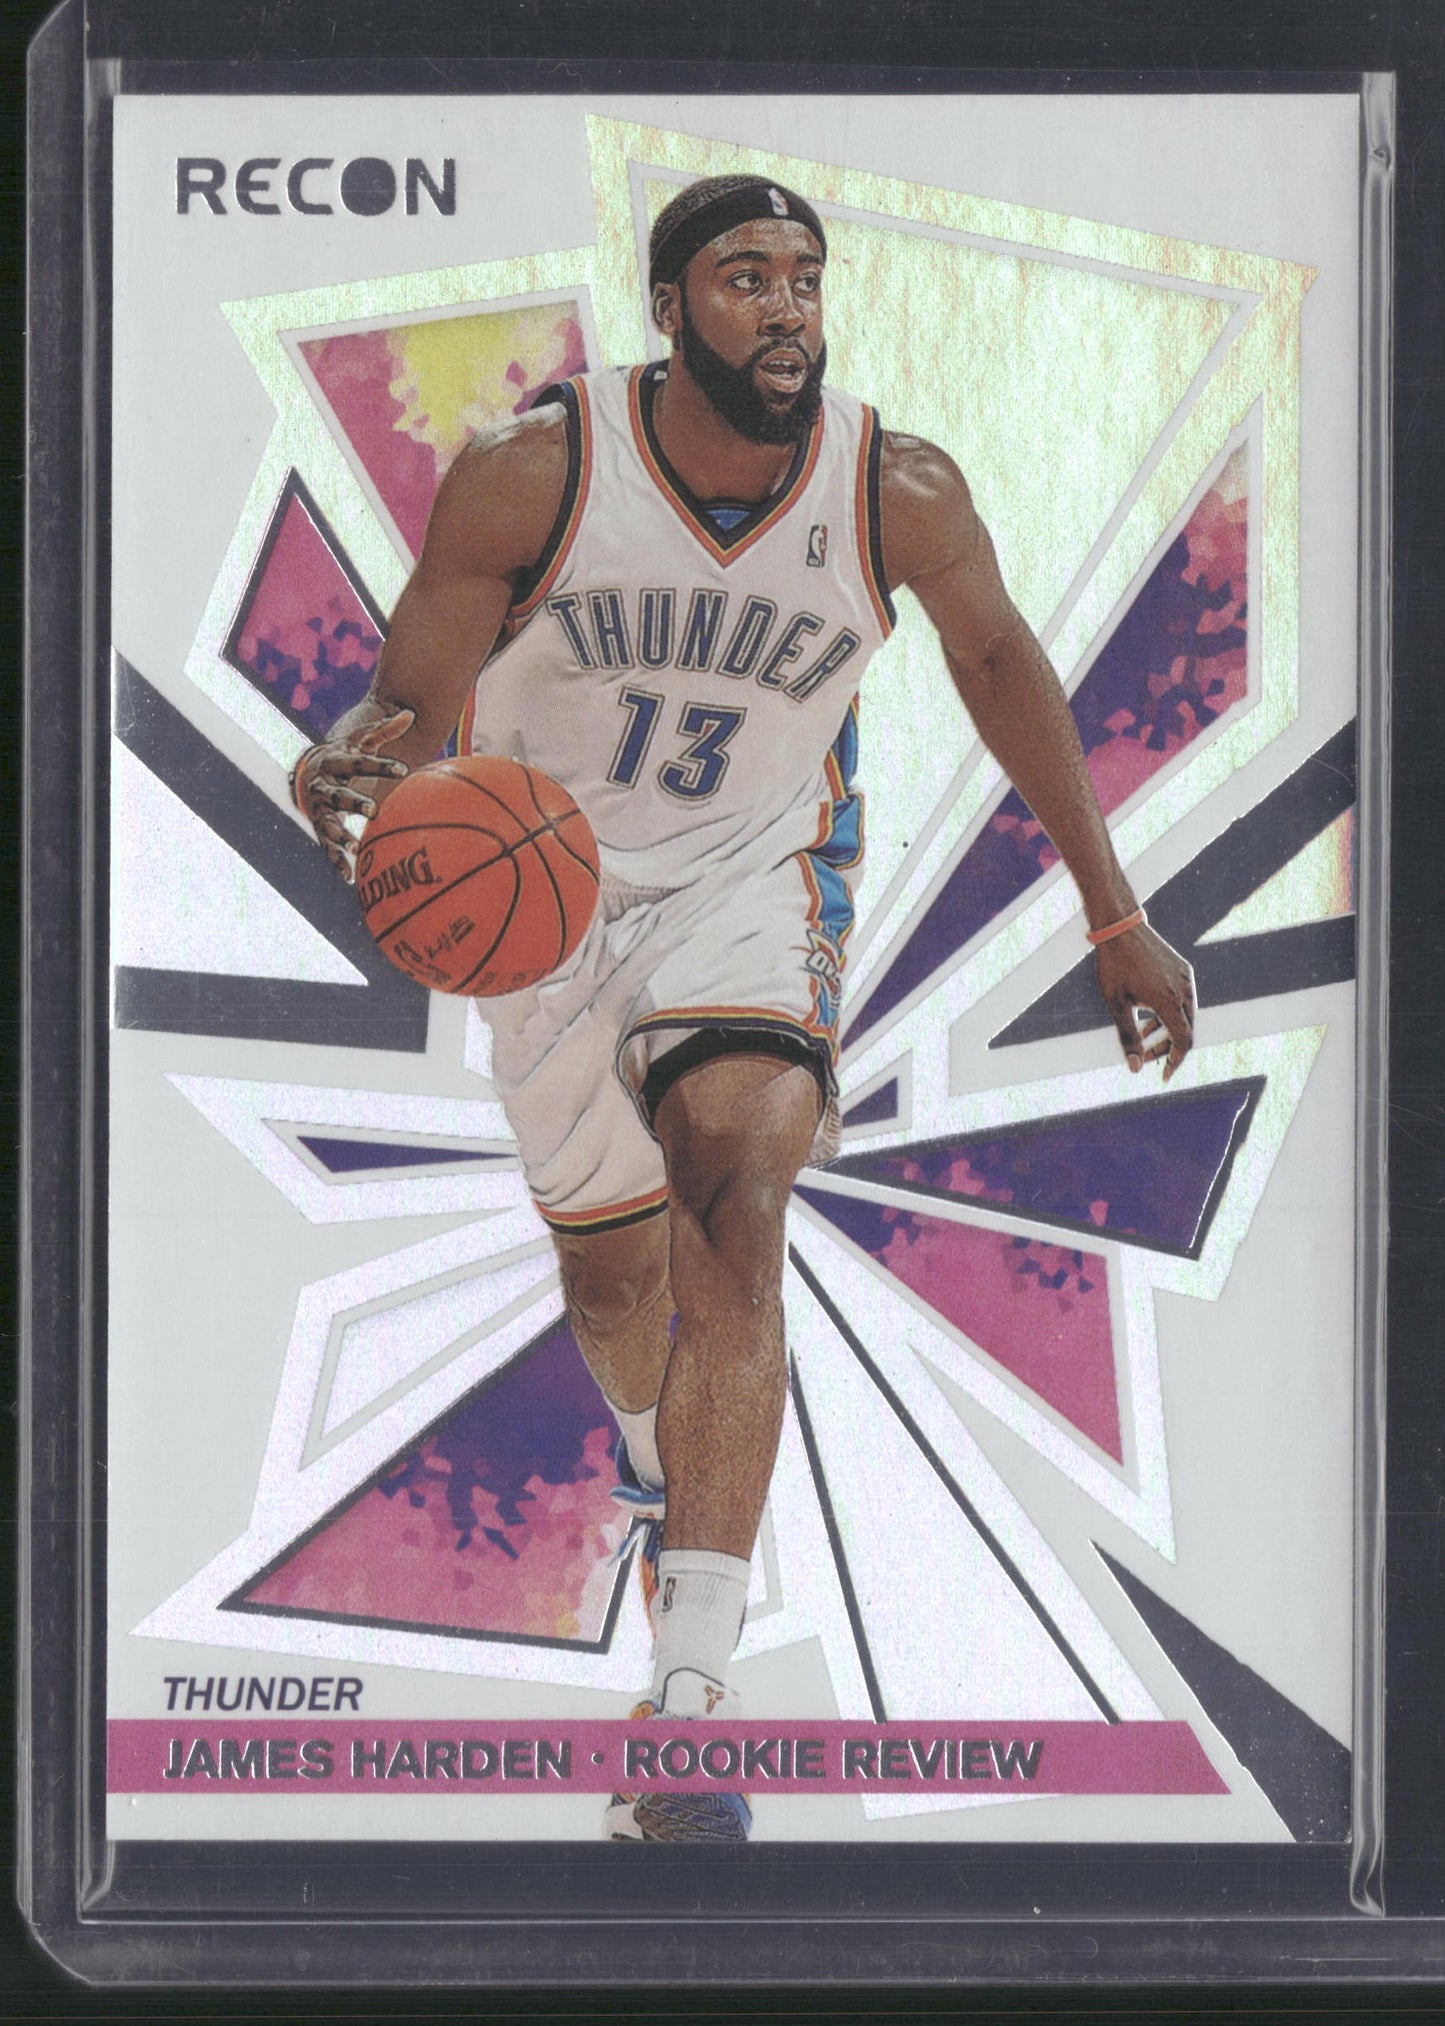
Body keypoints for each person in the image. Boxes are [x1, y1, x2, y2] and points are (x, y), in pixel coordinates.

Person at [292, 175, 1196, 1843]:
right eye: (742, 277)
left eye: (802, 276)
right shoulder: (534, 473)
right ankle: (664, 1463)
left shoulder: (895, 491)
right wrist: (356, 760)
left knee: (735, 1180)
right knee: (613, 1282)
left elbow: (1001, 669)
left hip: (750, 889)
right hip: (548, 903)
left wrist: (1115, 910)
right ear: (667, 306)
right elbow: (410, 700)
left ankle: (692, 1700)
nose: (784, 306)